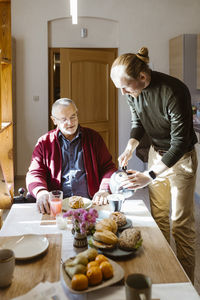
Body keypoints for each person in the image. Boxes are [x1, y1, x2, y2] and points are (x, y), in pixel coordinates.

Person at [110, 47, 198, 282]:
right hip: (155, 154)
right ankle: (162, 274)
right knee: (158, 218)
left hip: (181, 160)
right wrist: (130, 145)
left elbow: (179, 144)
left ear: (143, 77)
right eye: (120, 88)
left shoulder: (174, 90)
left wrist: (149, 175)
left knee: (181, 224)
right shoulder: (132, 92)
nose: (123, 93)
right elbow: (138, 121)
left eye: (125, 87)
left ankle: (185, 284)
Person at [26, 98, 117, 214]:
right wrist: (41, 192)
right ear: (54, 120)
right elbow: (34, 173)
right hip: (56, 205)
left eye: (73, 116)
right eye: (64, 119)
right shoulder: (44, 142)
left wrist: (104, 189)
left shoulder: (94, 138)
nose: (70, 123)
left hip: (90, 203)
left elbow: (108, 168)